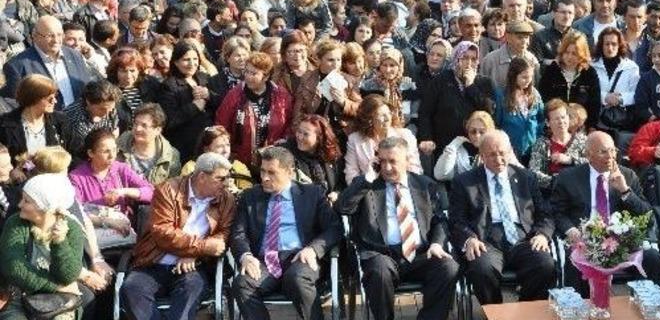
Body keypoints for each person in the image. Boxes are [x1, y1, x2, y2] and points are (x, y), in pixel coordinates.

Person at [336, 136, 459, 320]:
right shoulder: (367, 185)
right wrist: (367, 178)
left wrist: (436, 244)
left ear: (407, 161)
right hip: (381, 255)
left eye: (393, 161)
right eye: (382, 161)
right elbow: (342, 207)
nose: (386, 167)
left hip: (420, 254)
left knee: (448, 267)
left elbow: (439, 220)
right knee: (379, 270)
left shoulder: (425, 185)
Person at [120, 153, 236, 320]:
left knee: (190, 291)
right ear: (202, 176)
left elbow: (223, 235)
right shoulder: (167, 190)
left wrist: (194, 255)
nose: (226, 184)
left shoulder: (226, 199)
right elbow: (163, 233)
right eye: (221, 178)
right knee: (131, 290)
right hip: (154, 262)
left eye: (227, 178)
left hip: (194, 267)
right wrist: (200, 248)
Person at [231, 146, 342, 320]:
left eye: (272, 172)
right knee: (242, 284)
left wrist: (313, 249)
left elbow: (334, 228)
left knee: (297, 279)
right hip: (265, 261)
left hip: (300, 257)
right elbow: (238, 233)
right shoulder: (250, 197)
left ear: (290, 173)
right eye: (262, 171)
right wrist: (245, 255)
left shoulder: (312, 194)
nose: (265, 178)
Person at [448, 130, 556, 305]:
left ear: (510, 151)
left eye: (502, 153)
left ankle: (526, 311)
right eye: (491, 155)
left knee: (545, 264)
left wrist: (543, 234)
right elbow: (456, 219)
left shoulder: (526, 177)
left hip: (524, 238)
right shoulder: (464, 182)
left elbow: (545, 213)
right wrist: (469, 239)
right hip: (485, 241)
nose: (498, 159)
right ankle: (495, 313)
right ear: (481, 156)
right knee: (481, 268)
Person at [550, 131, 660, 294]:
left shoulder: (628, 175)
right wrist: (571, 230)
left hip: (621, 243)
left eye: (613, 150)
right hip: (584, 242)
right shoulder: (568, 178)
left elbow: (648, 217)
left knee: (651, 257)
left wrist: (625, 191)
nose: (610, 156)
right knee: (572, 261)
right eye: (603, 152)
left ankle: (644, 307)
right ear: (588, 155)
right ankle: (582, 311)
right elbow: (557, 212)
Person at [0, 174, 86, 320]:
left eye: (27, 201)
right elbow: (14, 267)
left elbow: (68, 275)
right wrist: (55, 286)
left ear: (46, 208)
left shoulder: (72, 229)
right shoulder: (15, 223)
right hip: (19, 296)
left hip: (59, 300)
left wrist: (60, 242)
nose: (20, 204)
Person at [215, 52, 292, 176]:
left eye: (254, 73)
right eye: (246, 71)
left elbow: (289, 122)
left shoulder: (281, 96)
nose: (248, 77)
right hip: (241, 161)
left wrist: (282, 142)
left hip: (272, 160)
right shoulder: (235, 94)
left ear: (266, 77)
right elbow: (221, 124)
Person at [417, 41, 495, 159]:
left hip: (475, 145)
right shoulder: (441, 81)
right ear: (456, 58)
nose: (469, 63)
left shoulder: (484, 83)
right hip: (446, 146)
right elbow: (425, 112)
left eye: (473, 59)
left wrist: (470, 86)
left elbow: (489, 109)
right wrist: (426, 137)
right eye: (464, 58)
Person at [1, 15, 91, 109]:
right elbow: (13, 104)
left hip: (78, 120)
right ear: (35, 36)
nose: (56, 40)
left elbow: (86, 89)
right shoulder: (17, 66)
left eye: (59, 35)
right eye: (50, 36)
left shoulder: (75, 56)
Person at [69, 127, 153, 220]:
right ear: (91, 153)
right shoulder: (76, 177)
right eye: (106, 151)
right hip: (93, 228)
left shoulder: (121, 169)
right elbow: (76, 212)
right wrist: (106, 222)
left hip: (123, 227)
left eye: (114, 150)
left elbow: (151, 192)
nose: (112, 155)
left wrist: (123, 191)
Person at [345, 95, 422, 185]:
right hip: (369, 192)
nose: (387, 119)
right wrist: (367, 182)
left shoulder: (405, 135)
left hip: (399, 187)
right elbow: (351, 175)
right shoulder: (355, 140)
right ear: (369, 119)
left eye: (389, 113)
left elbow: (415, 169)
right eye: (381, 115)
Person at [158, 40, 214, 160]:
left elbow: (221, 104)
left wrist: (209, 95)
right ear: (176, 62)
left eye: (195, 59)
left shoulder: (204, 78)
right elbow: (169, 120)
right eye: (186, 59)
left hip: (209, 142)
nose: (192, 63)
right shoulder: (168, 86)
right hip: (186, 146)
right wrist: (194, 107)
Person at [537, 30, 601, 128]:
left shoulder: (589, 73)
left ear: (582, 54)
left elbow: (595, 105)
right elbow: (543, 100)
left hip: (581, 127)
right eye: (567, 52)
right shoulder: (552, 70)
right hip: (554, 127)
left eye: (574, 53)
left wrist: (592, 128)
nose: (569, 57)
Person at [0, 74, 66, 161]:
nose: (55, 101)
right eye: (50, 98)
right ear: (34, 98)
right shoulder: (5, 124)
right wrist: (13, 170)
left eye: (55, 97)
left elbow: (73, 154)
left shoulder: (60, 121)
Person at [529, 99, 588, 190]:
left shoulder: (582, 140)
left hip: (579, 191)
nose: (561, 122)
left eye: (563, 117)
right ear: (547, 123)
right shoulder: (541, 144)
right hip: (552, 194)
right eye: (556, 119)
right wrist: (556, 181)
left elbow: (593, 163)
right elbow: (534, 172)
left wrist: (570, 160)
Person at [116, 102, 181, 185]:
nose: (138, 129)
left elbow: (170, 190)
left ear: (158, 130)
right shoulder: (118, 147)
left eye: (144, 126)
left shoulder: (170, 156)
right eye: (136, 123)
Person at [494, 57, 544, 161]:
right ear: (513, 76)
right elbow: (497, 123)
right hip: (511, 149)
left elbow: (541, 119)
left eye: (530, 77)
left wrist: (538, 139)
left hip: (532, 149)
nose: (528, 81)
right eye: (524, 77)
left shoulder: (534, 94)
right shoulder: (501, 96)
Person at [60, 80, 121, 162]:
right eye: (102, 109)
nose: (107, 113)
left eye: (111, 109)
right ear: (88, 101)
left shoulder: (110, 110)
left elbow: (114, 131)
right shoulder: (70, 118)